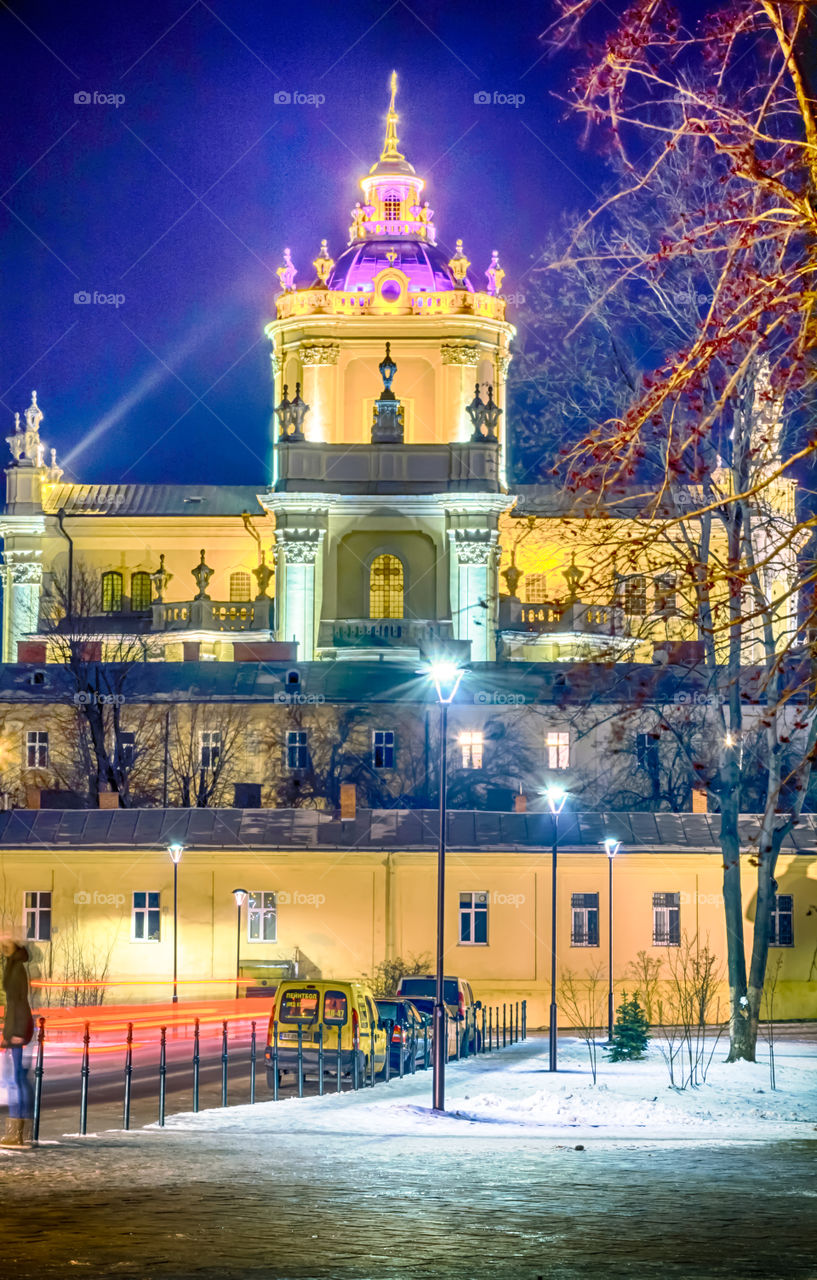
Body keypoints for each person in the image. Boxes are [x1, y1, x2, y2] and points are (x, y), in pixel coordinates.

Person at [1, 938, 35, 1148]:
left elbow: (18, 1002)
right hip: (15, 1029)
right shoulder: (13, 966)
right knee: (16, 1080)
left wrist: (15, 1032)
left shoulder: (17, 969)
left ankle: (18, 1134)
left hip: (18, 1030)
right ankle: (18, 1133)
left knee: (16, 1081)